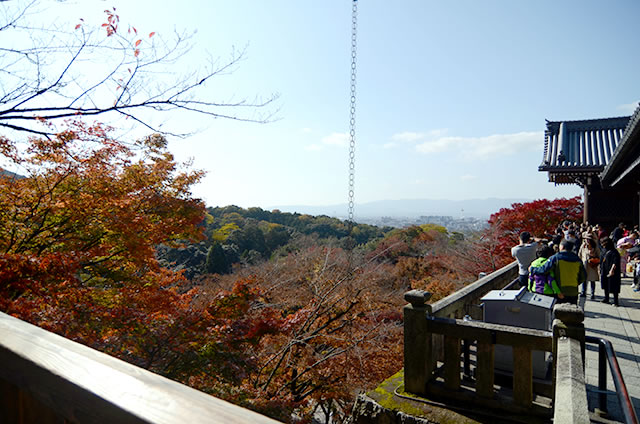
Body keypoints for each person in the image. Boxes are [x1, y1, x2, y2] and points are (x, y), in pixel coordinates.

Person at [529, 239, 586, 304]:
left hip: (560, 291)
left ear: (562, 247)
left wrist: (532, 269)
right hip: (573, 291)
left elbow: (544, 270)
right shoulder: (578, 259)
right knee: (572, 312)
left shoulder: (555, 258)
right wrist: (575, 283)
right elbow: (583, 277)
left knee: (559, 312)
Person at [600, 237, 621, 306]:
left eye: (603, 243)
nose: (602, 244)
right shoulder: (603, 250)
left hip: (613, 271)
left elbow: (615, 261)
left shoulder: (614, 251)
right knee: (606, 285)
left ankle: (616, 302)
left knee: (614, 286)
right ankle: (606, 298)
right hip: (605, 270)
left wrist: (612, 270)